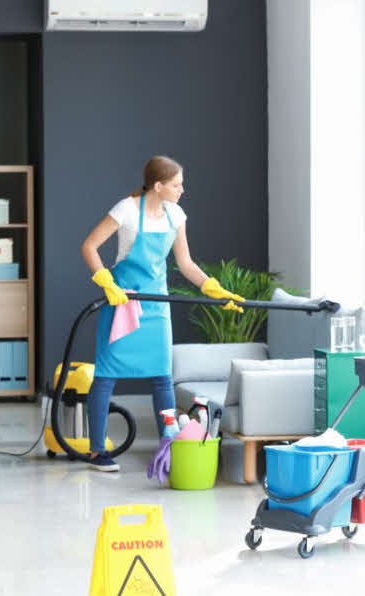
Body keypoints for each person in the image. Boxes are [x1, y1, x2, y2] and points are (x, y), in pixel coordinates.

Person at [80, 155, 245, 472]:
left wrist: (214, 288)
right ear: (158, 185)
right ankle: (97, 450)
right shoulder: (127, 209)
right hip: (123, 302)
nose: (182, 190)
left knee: (161, 378)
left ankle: (170, 444)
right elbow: (89, 246)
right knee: (105, 376)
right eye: (176, 184)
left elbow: (186, 264)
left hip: (157, 305)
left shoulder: (175, 214)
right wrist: (105, 280)